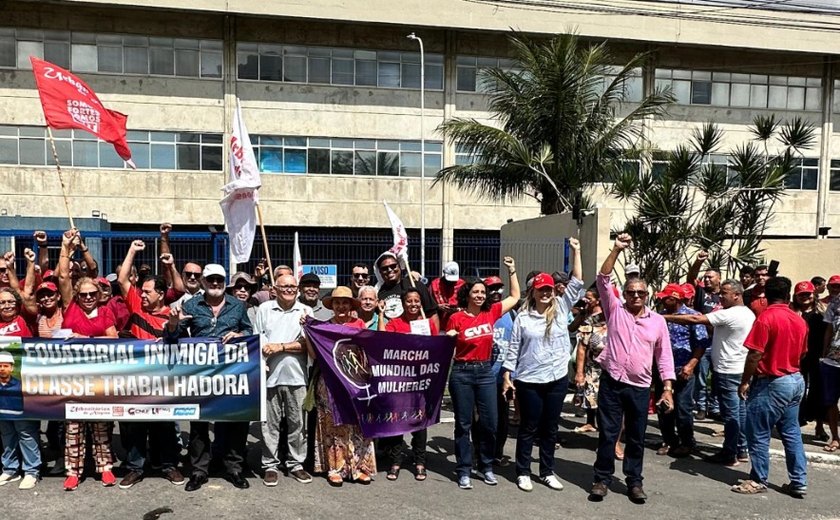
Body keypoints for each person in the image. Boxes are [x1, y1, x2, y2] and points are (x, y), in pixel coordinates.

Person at [590, 233, 675, 503]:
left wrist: (668, 388)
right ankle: (601, 480)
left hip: (639, 387)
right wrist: (616, 249)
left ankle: (634, 482)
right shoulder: (615, 310)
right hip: (612, 382)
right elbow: (603, 280)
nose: (636, 296)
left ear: (647, 295)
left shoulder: (658, 321)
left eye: (641, 292)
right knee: (608, 434)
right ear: (624, 294)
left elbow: (664, 356)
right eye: (631, 292)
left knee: (636, 438)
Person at [503, 238, 582, 493]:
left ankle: (547, 471)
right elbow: (513, 348)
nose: (546, 293)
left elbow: (577, 281)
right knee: (528, 427)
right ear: (533, 292)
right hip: (529, 380)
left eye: (549, 289)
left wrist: (576, 251)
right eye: (541, 290)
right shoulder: (523, 318)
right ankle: (523, 471)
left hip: (556, 378)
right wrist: (507, 375)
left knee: (550, 428)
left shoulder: (562, 308)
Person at [164, 263, 253, 491]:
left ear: (225, 283)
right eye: (211, 280)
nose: (215, 284)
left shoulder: (237, 305)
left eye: (219, 280)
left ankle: (234, 468)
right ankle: (198, 471)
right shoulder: (191, 304)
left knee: (235, 421)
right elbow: (175, 338)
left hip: (232, 373)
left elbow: (250, 332)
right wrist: (173, 324)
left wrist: (240, 334)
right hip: (201, 374)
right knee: (199, 424)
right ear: (203, 282)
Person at [445, 257, 520, 490]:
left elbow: (515, 297)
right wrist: (449, 337)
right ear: (467, 294)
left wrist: (512, 271)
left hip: (486, 373)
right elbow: (445, 342)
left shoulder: (491, 313)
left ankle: (486, 466)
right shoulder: (456, 318)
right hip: (462, 373)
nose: (480, 295)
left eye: (482, 292)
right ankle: (464, 470)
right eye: (476, 292)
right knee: (464, 425)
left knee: (490, 423)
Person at [115, 240, 184, 489]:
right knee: (135, 427)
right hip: (135, 380)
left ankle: (169, 466)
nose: (142, 295)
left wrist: (173, 328)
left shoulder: (172, 316)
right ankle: (135, 468)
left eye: (147, 292)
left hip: (164, 382)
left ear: (161, 294)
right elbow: (123, 279)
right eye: (141, 291)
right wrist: (132, 250)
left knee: (165, 425)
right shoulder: (135, 305)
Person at [665, 280, 754, 466]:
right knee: (739, 412)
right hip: (737, 369)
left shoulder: (732, 314)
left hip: (728, 370)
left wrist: (664, 317)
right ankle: (741, 448)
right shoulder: (746, 313)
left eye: (724, 293)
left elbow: (696, 319)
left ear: (737, 295)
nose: (720, 296)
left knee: (731, 414)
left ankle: (730, 453)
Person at [733, 277, 808, 497]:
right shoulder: (798, 319)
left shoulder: (766, 318)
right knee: (791, 432)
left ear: (766, 294)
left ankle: (758, 479)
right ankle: (799, 480)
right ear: (788, 294)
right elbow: (803, 352)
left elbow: (755, 352)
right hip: (795, 379)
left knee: (758, 432)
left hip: (772, 381)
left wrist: (745, 380)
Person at [57, 229, 118, 491]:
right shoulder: (71, 307)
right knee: (73, 425)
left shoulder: (105, 313)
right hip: (73, 377)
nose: (89, 297)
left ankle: (105, 468)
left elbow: (113, 341)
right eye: (84, 294)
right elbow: (62, 276)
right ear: (77, 296)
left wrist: (83, 337)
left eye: (93, 293)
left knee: (100, 424)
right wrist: (65, 246)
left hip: (98, 376)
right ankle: (73, 471)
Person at [308, 286, 375, 486]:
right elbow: (314, 355)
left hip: (355, 382)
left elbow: (369, 352)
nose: (341, 306)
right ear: (332, 306)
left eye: (345, 302)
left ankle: (359, 467)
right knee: (333, 425)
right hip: (330, 383)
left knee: (357, 425)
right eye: (337, 303)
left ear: (351, 305)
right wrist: (308, 332)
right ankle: (334, 467)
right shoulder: (324, 327)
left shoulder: (359, 324)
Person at [253, 274, 313, 486]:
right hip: (269, 376)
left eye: (293, 286)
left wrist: (280, 347)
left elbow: (308, 345)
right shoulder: (264, 309)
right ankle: (270, 464)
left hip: (297, 377)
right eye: (284, 286)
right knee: (269, 424)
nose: (289, 289)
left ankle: (295, 464)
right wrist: (264, 356)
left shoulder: (306, 311)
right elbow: (257, 339)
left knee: (298, 423)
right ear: (275, 289)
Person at [380, 288, 439, 482]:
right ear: (403, 303)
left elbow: (436, 348)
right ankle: (396, 459)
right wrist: (381, 314)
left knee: (420, 420)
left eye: (416, 301)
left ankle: (420, 460)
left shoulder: (427, 323)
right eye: (409, 301)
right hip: (399, 380)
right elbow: (383, 341)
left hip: (421, 380)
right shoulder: (395, 323)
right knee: (399, 419)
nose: (413, 304)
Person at [655, 283, 710, 458]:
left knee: (683, 408)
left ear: (676, 298)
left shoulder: (693, 316)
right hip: (663, 371)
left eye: (666, 298)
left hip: (683, 369)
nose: (662, 300)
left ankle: (687, 441)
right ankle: (669, 440)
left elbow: (701, 343)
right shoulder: (660, 316)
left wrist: (691, 365)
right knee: (664, 407)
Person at [686, 250, 722, 421]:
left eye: (711, 277)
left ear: (719, 279)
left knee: (717, 377)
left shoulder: (725, 295)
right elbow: (691, 278)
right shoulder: (702, 293)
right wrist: (698, 262)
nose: (707, 279)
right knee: (701, 376)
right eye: (705, 277)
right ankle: (701, 406)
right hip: (704, 342)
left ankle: (714, 407)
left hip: (721, 343)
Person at [790, 281, 828, 443]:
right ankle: (796, 423)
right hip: (798, 356)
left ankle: (819, 425)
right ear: (796, 296)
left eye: (808, 294)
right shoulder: (792, 312)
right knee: (798, 391)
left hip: (817, 355)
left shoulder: (823, 312)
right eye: (802, 294)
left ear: (814, 295)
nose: (805, 297)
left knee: (818, 391)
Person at [0, 350, 40, 490]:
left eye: (5, 366)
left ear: (11, 368)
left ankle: (31, 472)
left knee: (27, 438)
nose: (2, 369)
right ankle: (10, 469)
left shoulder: (20, 384)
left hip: (22, 414)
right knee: (7, 439)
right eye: (0, 366)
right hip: (3, 416)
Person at [571, 289, 607, 434]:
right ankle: (590, 422)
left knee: (605, 399)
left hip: (607, 363)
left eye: (589, 298)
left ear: (598, 300)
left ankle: (607, 429)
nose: (586, 300)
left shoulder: (606, 315)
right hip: (592, 363)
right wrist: (581, 312)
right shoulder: (586, 316)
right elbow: (572, 329)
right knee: (590, 393)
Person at [374, 251, 438, 329]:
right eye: (384, 268)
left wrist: (434, 339)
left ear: (399, 266)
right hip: (391, 337)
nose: (390, 270)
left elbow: (432, 314)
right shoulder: (378, 292)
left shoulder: (415, 285)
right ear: (380, 272)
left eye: (393, 266)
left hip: (417, 336)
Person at [820, 275, 840, 453]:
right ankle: (835, 438)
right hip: (833, 359)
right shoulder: (835, 303)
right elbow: (829, 329)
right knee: (831, 400)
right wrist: (823, 352)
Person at [429, 261, 464, 329]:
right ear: (444, 273)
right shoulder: (434, 284)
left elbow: (469, 305)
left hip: (457, 324)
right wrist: (437, 306)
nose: (451, 282)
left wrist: (457, 309)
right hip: (439, 323)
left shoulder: (462, 285)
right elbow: (428, 303)